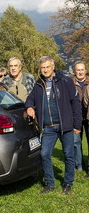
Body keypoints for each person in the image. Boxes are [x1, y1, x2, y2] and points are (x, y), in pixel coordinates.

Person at [26, 56, 82, 195]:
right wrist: (29, 107)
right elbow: (30, 99)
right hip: (48, 128)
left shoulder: (65, 81)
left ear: (53, 67)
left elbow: (75, 103)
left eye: (47, 67)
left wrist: (77, 124)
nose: (45, 70)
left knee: (68, 155)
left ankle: (68, 183)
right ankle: (49, 184)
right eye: (43, 68)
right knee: (44, 154)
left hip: (65, 126)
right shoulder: (39, 84)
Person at [72, 61, 89, 172]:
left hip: (88, 117)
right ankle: (79, 164)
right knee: (76, 142)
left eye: (82, 69)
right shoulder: (70, 83)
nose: (80, 72)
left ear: (85, 71)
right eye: (78, 70)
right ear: (74, 71)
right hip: (76, 118)